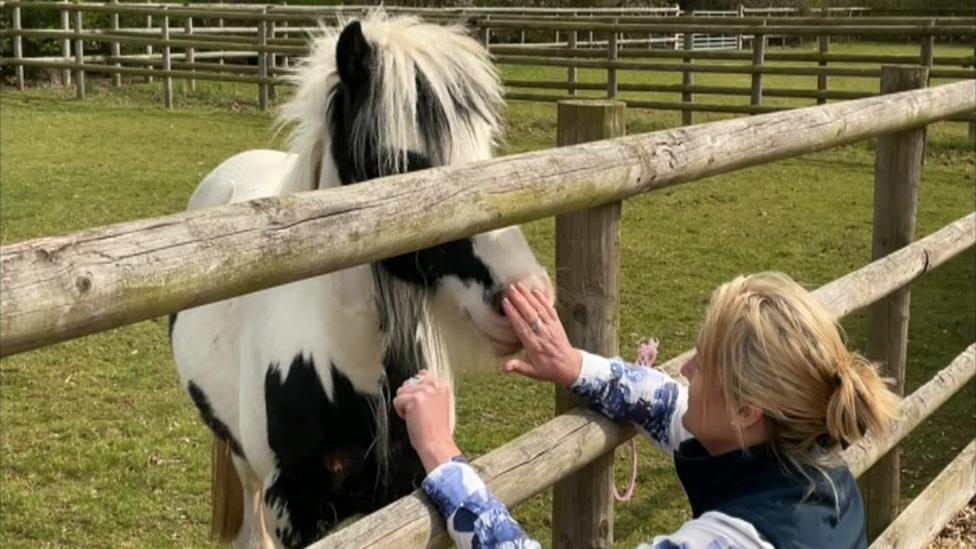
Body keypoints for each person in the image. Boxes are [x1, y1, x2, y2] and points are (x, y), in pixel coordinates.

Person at [392, 272, 900, 549]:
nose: (688, 371)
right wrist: (573, 366)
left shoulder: (732, 542)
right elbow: (665, 402)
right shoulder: (812, 458)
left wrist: (442, 455)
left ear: (747, 410)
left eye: (704, 363)